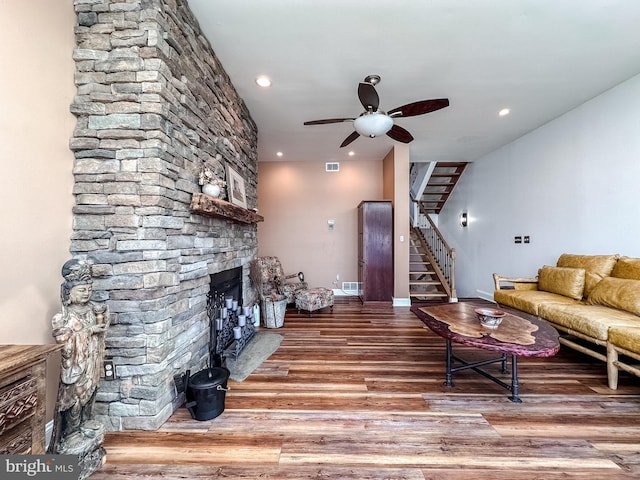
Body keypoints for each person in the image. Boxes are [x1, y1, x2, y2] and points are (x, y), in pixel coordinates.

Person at [48, 258, 109, 453]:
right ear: (68, 293)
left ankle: (86, 421)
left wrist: (101, 325)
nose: (86, 294)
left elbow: (98, 330)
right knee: (74, 398)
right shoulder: (63, 317)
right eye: (82, 290)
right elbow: (63, 339)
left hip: (92, 361)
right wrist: (89, 331)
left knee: (90, 392)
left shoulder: (92, 310)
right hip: (76, 366)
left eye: (89, 290)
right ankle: (71, 433)